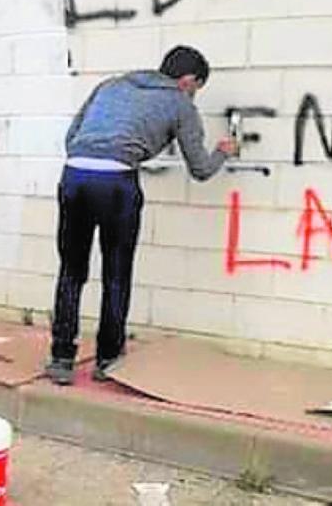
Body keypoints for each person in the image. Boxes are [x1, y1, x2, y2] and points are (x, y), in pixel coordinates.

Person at [46, 46, 234, 385]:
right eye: (196, 88)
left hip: (74, 175)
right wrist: (223, 152)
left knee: (71, 270)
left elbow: (72, 136)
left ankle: (61, 358)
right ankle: (107, 358)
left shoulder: (111, 86)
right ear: (188, 80)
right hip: (116, 181)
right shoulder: (180, 103)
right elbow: (201, 169)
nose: (193, 95)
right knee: (116, 273)